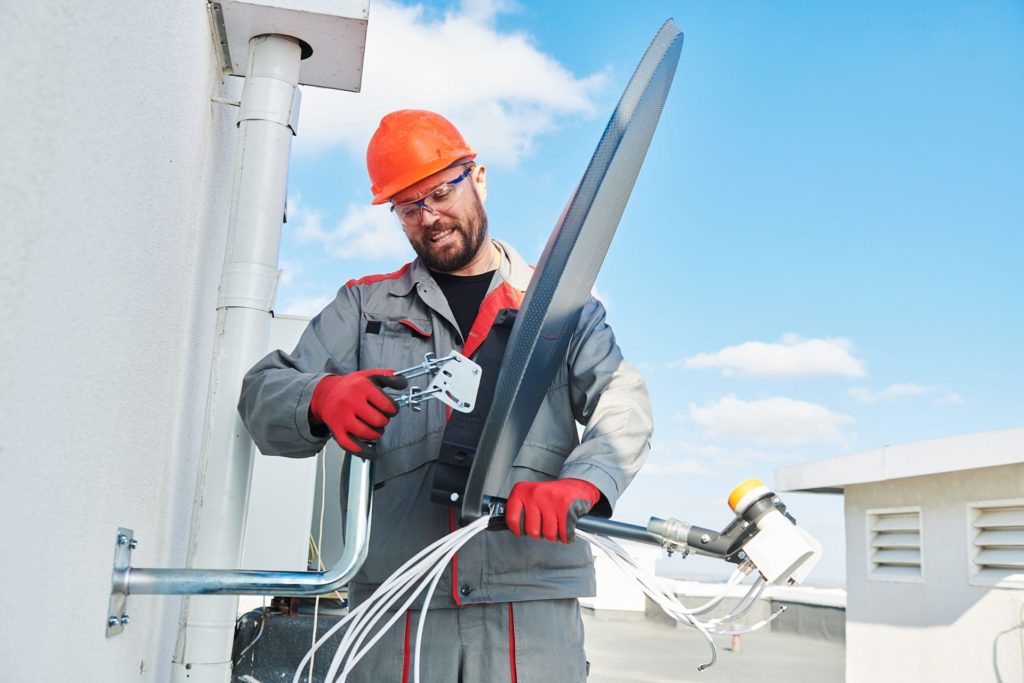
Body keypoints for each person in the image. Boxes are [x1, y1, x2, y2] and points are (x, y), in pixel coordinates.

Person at [238, 109, 652, 682]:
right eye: (409, 207)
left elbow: (621, 401)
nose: (429, 217)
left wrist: (581, 482)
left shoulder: (560, 308)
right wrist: (320, 396)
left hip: (527, 597)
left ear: (476, 177)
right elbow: (262, 391)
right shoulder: (365, 308)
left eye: (439, 192)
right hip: (397, 598)